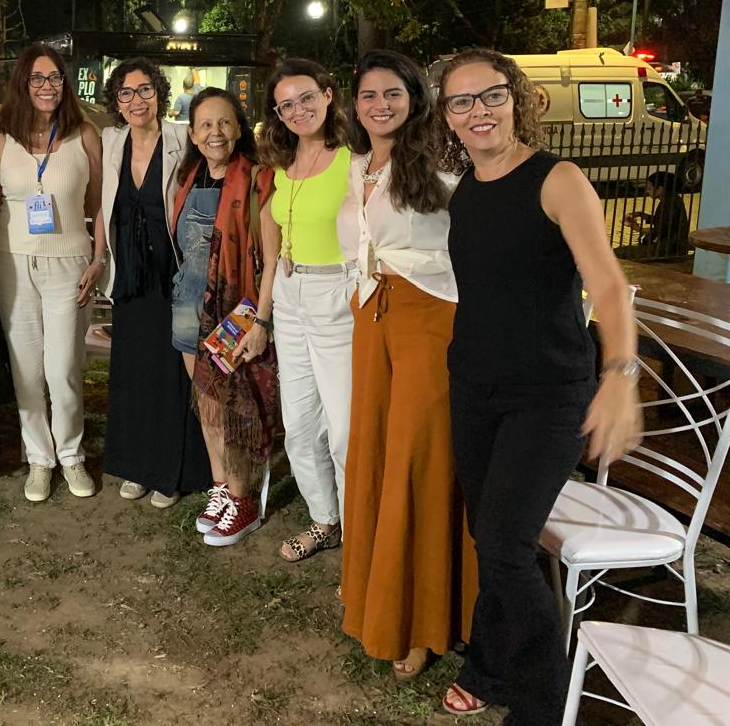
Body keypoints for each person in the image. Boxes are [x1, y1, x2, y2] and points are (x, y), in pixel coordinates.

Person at [437, 48, 642, 723]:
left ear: (516, 98)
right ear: (448, 117)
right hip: (475, 386)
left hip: (547, 394)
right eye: (462, 101)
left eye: (491, 95)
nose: (479, 111)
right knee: (490, 536)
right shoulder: (468, 189)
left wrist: (620, 374)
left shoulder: (558, 180)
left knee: (503, 545)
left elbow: (608, 284)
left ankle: (541, 705)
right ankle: (490, 666)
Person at [337, 50, 477, 682]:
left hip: (430, 321)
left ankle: (423, 620)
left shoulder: (443, 161)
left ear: (414, 98)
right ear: (355, 104)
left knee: (418, 460)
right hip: (372, 320)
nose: (380, 105)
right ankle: (377, 597)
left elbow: (473, 242)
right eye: (369, 95)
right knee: (372, 453)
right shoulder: (356, 166)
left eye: (392, 93)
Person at [0, 44, 104, 503]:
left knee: (63, 368)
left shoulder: (84, 135)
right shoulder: (0, 140)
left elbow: (99, 204)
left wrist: (99, 257)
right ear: (22, 83)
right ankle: (39, 457)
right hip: (10, 260)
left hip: (69, 262)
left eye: (55, 77)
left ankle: (70, 453)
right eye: (37, 78)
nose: (47, 86)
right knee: (26, 370)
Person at [99, 58, 211, 508]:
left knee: (171, 369)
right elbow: (103, 206)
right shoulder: (111, 141)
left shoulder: (183, 138)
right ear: (116, 101)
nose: (136, 100)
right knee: (132, 369)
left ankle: (169, 470)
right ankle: (136, 465)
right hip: (129, 271)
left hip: (174, 268)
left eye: (145, 89)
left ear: (159, 94)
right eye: (126, 93)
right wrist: (97, 259)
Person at [257, 59, 355, 563]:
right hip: (290, 296)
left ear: (328, 95)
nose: (298, 111)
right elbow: (272, 251)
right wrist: (262, 316)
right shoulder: (281, 164)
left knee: (344, 428)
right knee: (298, 424)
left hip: (337, 294)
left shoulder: (353, 161)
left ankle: (360, 530)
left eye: (306, 98)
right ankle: (325, 519)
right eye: (285, 105)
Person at [172, 87, 279, 547]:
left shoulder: (259, 181)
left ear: (239, 128)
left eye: (224, 122)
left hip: (234, 313)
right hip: (187, 307)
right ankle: (220, 487)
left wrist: (262, 321)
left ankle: (243, 498)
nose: (215, 133)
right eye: (205, 125)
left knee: (234, 408)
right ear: (193, 134)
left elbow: (271, 261)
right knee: (208, 405)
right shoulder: (187, 178)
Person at [619, 170, 689, 259]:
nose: (647, 191)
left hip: (667, 250)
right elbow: (662, 221)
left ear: (660, 189)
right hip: (672, 247)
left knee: (618, 252)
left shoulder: (668, 204)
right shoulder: (672, 199)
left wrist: (637, 228)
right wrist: (641, 214)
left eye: (649, 188)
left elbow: (660, 231)